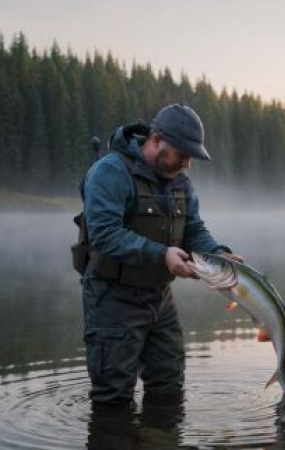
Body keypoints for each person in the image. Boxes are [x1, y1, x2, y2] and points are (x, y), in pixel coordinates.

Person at [77, 103, 241, 406]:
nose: (188, 163)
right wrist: (161, 255)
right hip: (112, 297)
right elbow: (103, 235)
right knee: (112, 397)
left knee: (169, 386)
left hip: (159, 298)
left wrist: (218, 254)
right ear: (156, 140)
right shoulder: (110, 172)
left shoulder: (180, 181)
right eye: (183, 154)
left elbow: (194, 228)